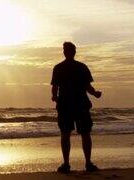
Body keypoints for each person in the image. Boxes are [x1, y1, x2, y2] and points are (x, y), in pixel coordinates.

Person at [51, 42, 102, 173]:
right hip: (81, 104)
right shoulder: (82, 67)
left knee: (65, 134)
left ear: (64, 52)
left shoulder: (58, 67)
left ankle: (66, 164)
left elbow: (54, 87)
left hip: (65, 105)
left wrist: (55, 98)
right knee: (85, 133)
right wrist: (95, 94)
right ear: (74, 52)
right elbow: (88, 87)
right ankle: (88, 163)